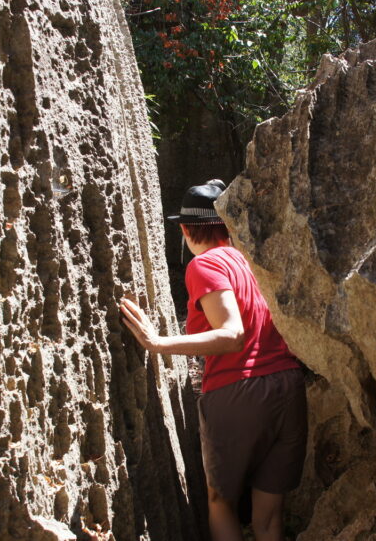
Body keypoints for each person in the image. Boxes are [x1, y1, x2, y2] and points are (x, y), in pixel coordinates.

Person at [119, 179, 307, 541]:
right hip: (289, 387)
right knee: (269, 519)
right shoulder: (251, 261)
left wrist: (158, 342)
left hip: (240, 393)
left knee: (221, 503)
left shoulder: (203, 265)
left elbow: (232, 334)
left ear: (187, 230)